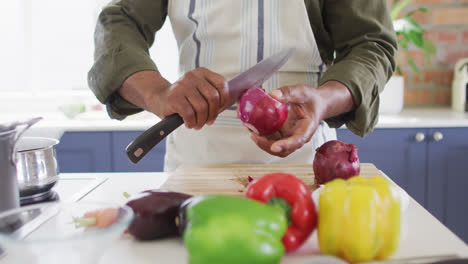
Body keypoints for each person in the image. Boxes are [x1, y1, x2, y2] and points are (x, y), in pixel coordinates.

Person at [88, 0, 397, 172]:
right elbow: (120, 21)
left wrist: (323, 99)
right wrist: (157, 92)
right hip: (196, 163)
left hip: (303, 162)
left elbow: (370, 44)